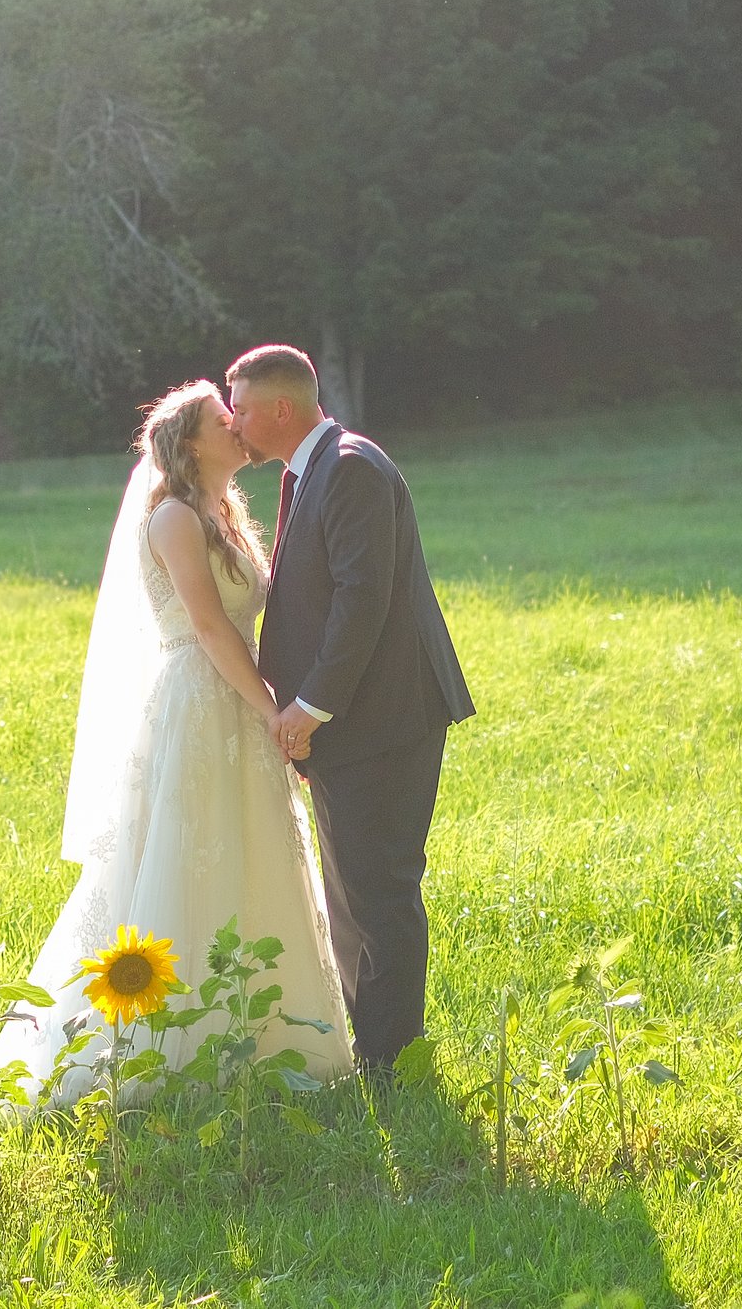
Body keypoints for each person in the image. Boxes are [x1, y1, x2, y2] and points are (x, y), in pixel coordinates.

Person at [0, 380, 352, 1102]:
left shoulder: (224, 512)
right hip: (199, 702)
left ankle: (270, 1038)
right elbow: (213, 627)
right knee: (190, 855)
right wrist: (276, 710)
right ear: (192, 441)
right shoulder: (173, 518)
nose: (239, 423)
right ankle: (164, 1050)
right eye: (226, 418)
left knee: (252, 851)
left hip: (240, 701)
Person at [226, 343, 474, 1078]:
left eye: (239, 407)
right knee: (353, 891)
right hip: (352, 724)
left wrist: (309, 705)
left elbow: (362, 599)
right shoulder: (315, 467)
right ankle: (372, 1046)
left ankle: (394, 1061)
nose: (233, 422)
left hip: (384, 718)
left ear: (279, 408)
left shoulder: (352, 466)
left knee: (380, 888)